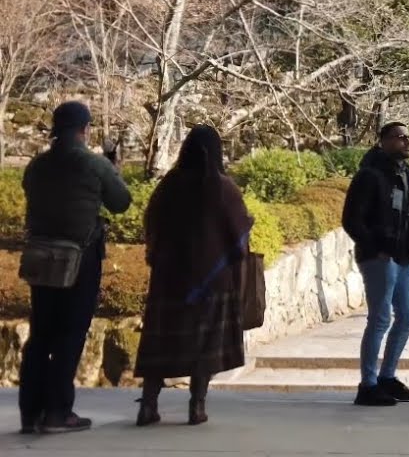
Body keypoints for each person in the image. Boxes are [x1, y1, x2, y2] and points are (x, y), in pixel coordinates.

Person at [19, 101, 132, 434]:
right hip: (79, 258)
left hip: (41, 259)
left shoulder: (37, 166)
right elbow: (121, 202)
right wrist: (113, 169)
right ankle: (58, 412)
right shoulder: (94, 164)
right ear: (85, 129)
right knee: (70, 333)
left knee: (41, 334)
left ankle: (31, 411)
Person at [134, 126, 252, 427]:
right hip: (213, 280)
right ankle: (197, 405)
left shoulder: (169, 185)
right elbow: (239, 237)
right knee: (206, 343)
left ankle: (148, 405)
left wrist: (156, 255)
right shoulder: (223, 188)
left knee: (160, 342)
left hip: (169, 278)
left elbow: (152, 223)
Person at [341, 122, 409, 407]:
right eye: (400, 137)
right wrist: (374, 248)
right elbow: (351, 219)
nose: (407, 142)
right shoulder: (369, 175)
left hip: (403, 256)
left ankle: (387, 376)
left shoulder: (407, 175)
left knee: (407, 316)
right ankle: (368, 384)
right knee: (380, 318)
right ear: (383, 141)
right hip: (378, 256)